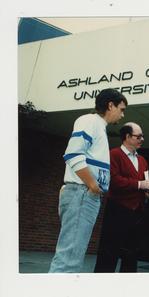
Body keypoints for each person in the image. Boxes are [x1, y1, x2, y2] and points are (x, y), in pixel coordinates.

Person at [49, 88, 127, 273]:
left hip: (84, 193)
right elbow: (73, 154)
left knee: (72, 255)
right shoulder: (90, 121)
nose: (122, 115)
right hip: (83, 193)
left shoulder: (98, 126)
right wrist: (91, 185)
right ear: (110, 105)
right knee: (69, 259)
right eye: (121, 109)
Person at [94, 122, 149, 272]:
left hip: (137, 214)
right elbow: (113, 180)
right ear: (127, 137)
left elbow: (144, 182)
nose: (142, 139)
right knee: (109, 253)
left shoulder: (142, 160)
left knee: (131, 255)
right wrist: (140, 185)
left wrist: (148, 192)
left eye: (143, 136)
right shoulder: (113, 154)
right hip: (117, 211)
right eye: (139, 136)